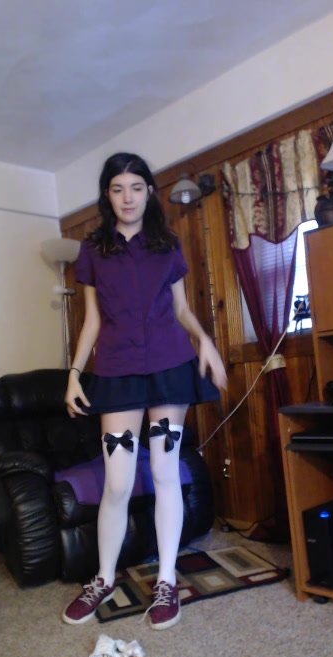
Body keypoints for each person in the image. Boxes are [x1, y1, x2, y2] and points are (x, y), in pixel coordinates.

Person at [61, 152, 227, 630]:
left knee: (164, 473)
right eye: (118, 189)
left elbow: (181, 309)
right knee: (117, 482)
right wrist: (75, 373)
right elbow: (92, 320)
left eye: (136, 187)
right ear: (107, 195)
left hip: (170, 366)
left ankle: (167, 581)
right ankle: (103, 578)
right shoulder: (93, 249)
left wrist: (205, 341)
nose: (128, 197)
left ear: (149, 192)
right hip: (117, 372)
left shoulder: (167, 243)